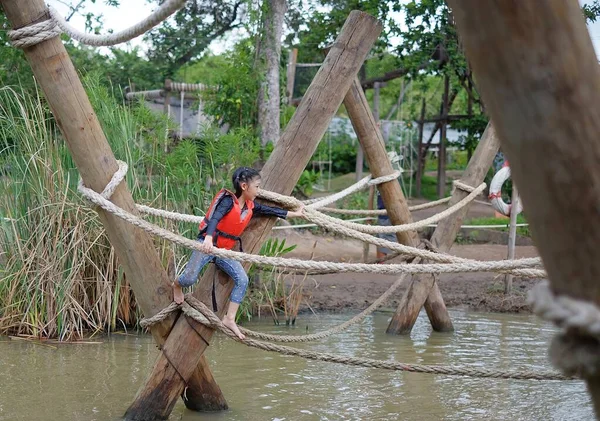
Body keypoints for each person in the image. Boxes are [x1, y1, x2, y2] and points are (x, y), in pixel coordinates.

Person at [172, 167, 306, 339]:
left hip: (223, 252)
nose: (259, 190)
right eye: (257, 186)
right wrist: (208, 238)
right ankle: (176, 285)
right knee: (189, 278)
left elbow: (273, 212)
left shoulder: (251, 206)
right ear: (244, 186)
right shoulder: (228, 201)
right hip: (207, 245)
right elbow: (215, 218)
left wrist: (297, 214)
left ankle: (229, 319)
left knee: (242, 279)